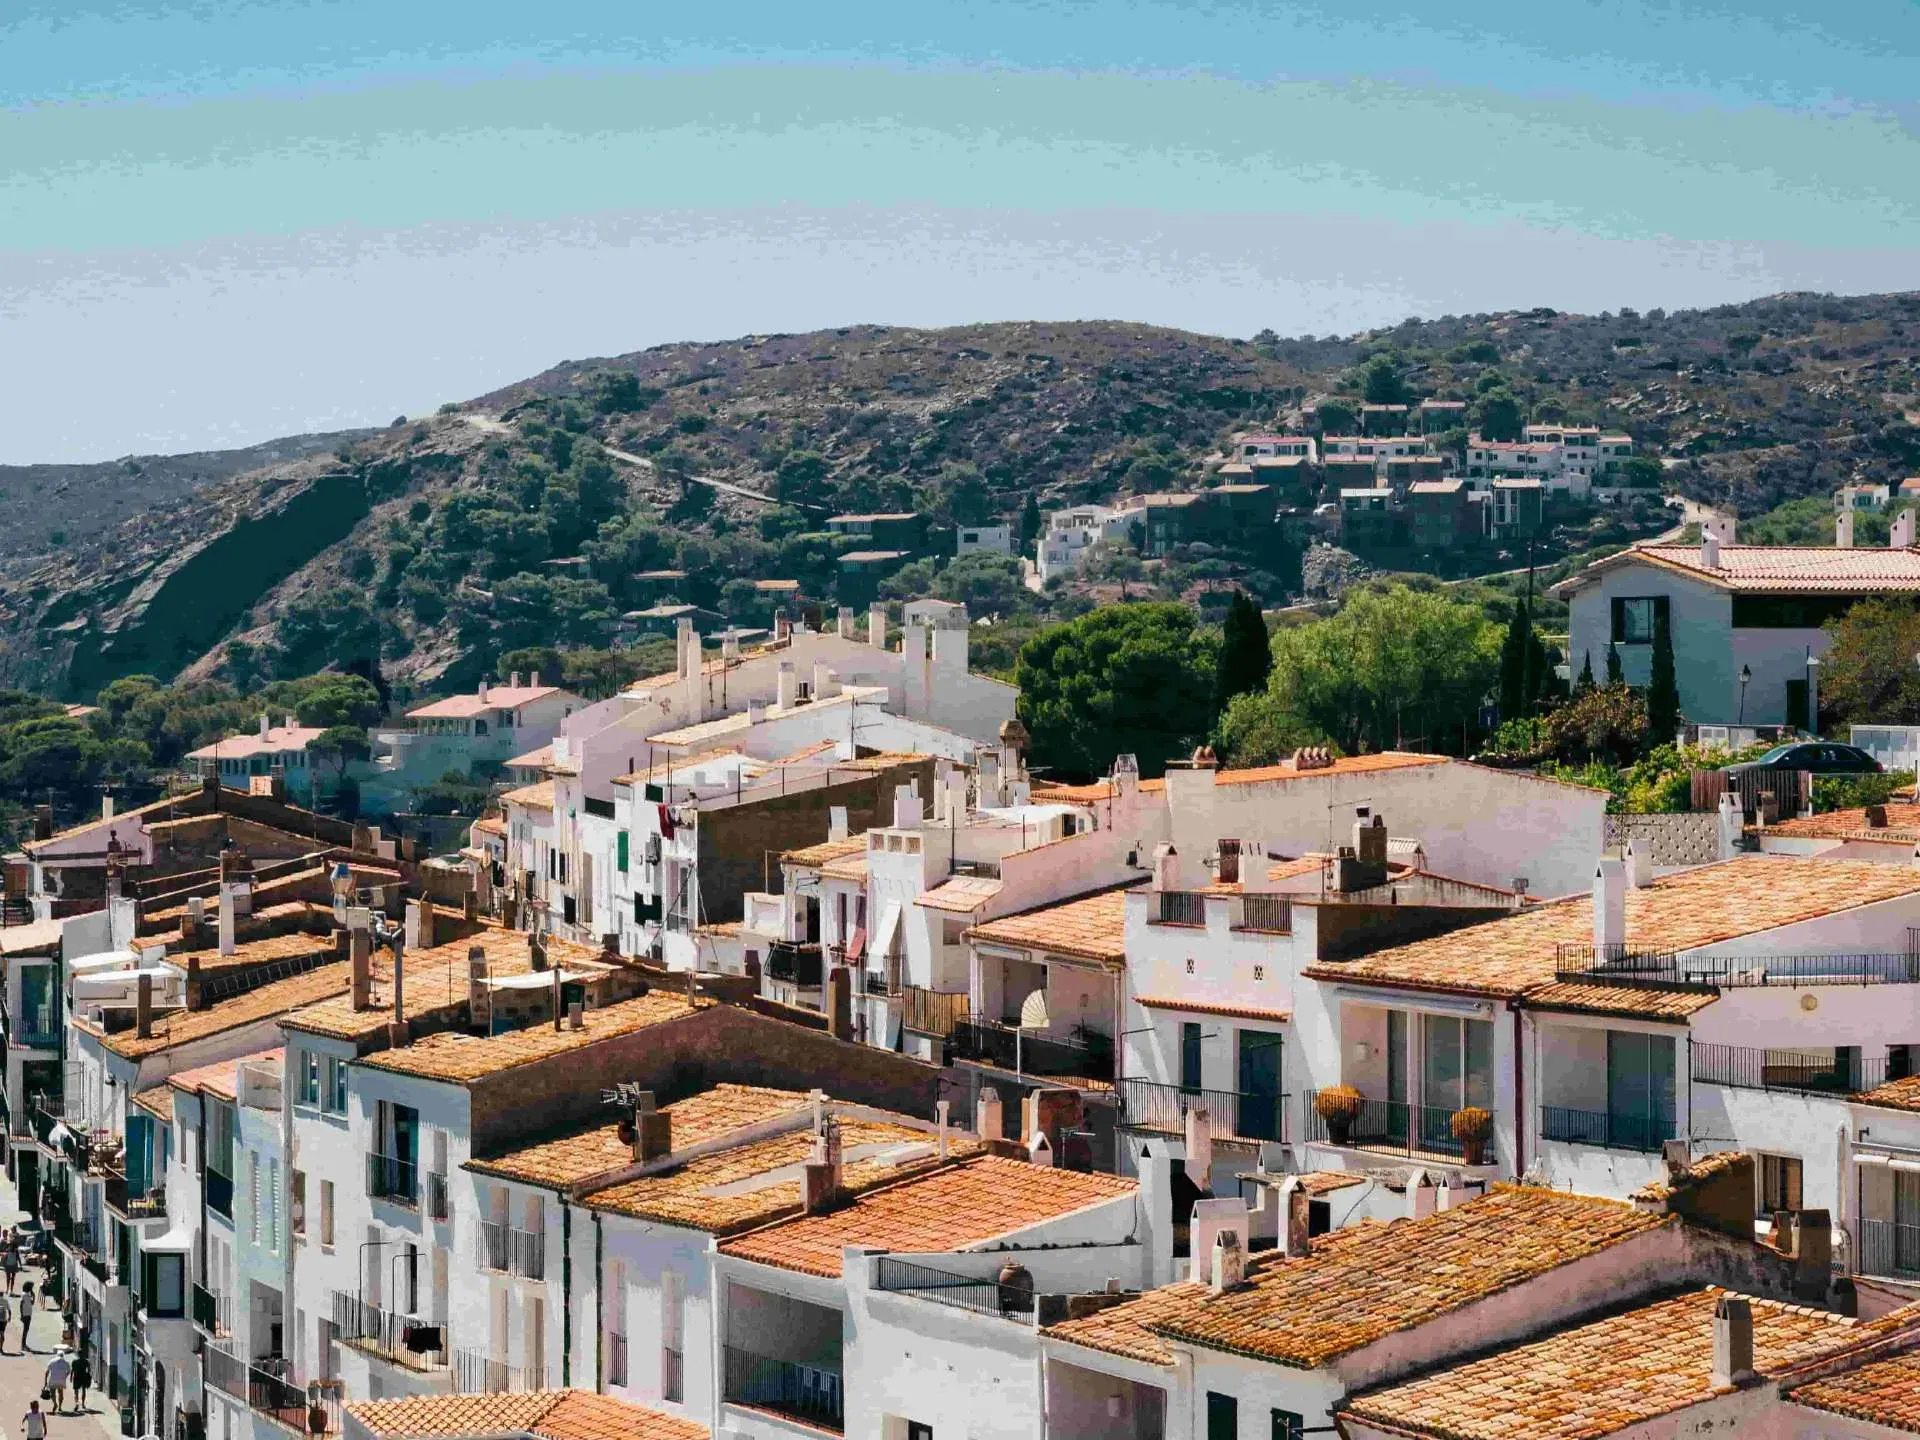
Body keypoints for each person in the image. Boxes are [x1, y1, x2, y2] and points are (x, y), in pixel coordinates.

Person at [44, 1349, 69, 1414]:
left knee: (52, 1393)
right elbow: (69, 1371)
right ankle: (60, 1407)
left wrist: (45, 1382)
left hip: (53, 1380)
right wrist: (65, 1376)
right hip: (61, 1380)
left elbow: (47, 1372)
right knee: (60, 1393)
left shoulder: (52, 1361)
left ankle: (55, 1403)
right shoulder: (66, 1362)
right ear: (63, 1355)